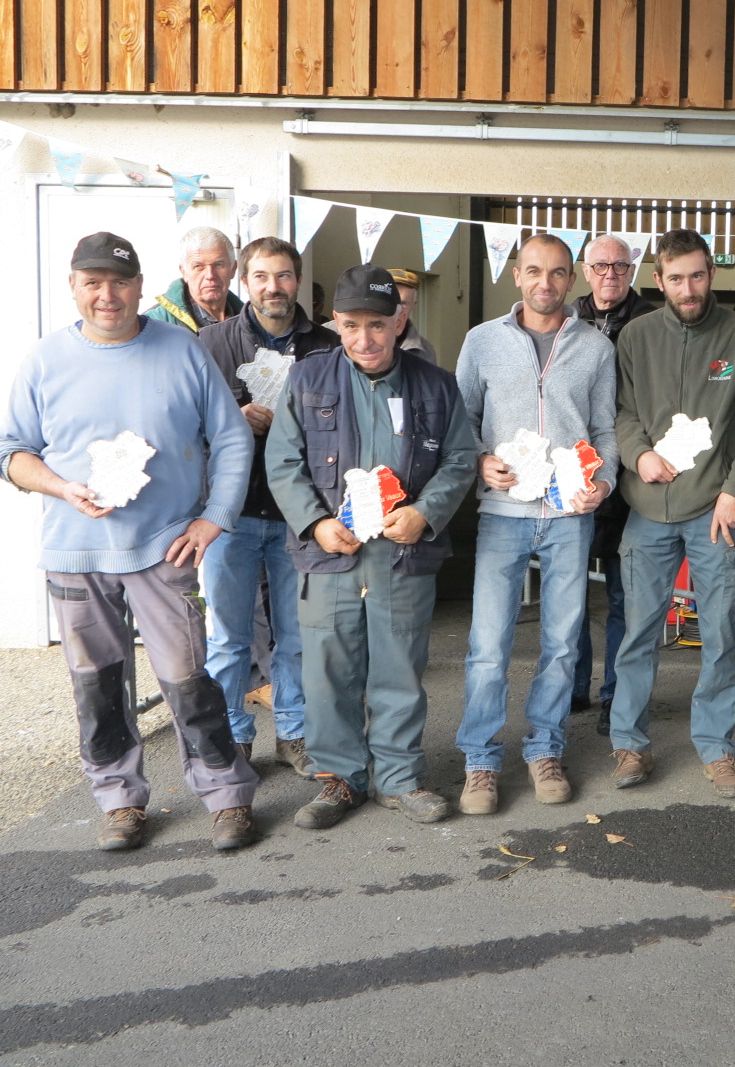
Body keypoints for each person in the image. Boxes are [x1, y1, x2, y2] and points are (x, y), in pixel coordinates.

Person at [0, 231, 258, 852]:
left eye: (119, 282)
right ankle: (119, 800)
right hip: (75, 550)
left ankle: (226, 796)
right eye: (93, 283)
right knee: (96, 685)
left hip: (164, 546)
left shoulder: (184, 351)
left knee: (188, 677)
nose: (107, 296)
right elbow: (12, 453)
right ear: (74, 288)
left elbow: (230, 438)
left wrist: (214, 517)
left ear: (142, 287)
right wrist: (61, 488)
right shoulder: (44, 361)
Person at [266, 265, 476, 830]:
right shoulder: (308, 380)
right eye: (352, 325)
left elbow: (460, 459)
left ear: (399, 320)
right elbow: (282, 461)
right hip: (331, 555)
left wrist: (425, 513)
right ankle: (339, 778)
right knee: (328, 670)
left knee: (400, 668)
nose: (365, 339)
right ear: (335, 323)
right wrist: (313, 524)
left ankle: (400, 778)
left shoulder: (436, 384)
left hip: (402, 556)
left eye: (378, 325)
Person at [607, 229, 735, 799]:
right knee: (637, 633)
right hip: (646, 510)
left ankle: (716, 746)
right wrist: (639, 454)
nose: (688, 287)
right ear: (658, 280)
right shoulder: (635, 336)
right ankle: (629, 743)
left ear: (712, 274)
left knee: (719, 637)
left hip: (716, 511)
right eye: (676, 278)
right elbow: (621, 413)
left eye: (698, 275)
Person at [454, 235, 619, 813]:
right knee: (488, 643)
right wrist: (479, 459)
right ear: (516, 277)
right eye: (533, 272)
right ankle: (479, 759)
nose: (544, 283)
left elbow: (605, 432)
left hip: (570, 513)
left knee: (562, 641)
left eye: (556, 273)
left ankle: (545, 746)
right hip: (504, 513)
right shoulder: (482, 342)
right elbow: (461, 422)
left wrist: (604, 482)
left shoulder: (596, 348)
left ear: (571, 279)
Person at [197, 237, 338, 777]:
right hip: (229, 514)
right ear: (244, 281)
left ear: (297, 281)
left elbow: (342, 425)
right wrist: (238, 414)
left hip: (301, 515)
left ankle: (295, 732)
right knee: (228, 638)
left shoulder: (327, 346)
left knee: (297, 634)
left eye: (282, 276)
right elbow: (191, 422)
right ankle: (233, 739)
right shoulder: (211, 342)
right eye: (261, 277)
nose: (272, 287)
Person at [573, 233, 656, 733]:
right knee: (571, 594)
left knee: (626, 597)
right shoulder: (564, 321)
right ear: (587, 271)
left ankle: (616, 695)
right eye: (601, 266)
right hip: (577, 479)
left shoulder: (652, 323)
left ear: (633, 270)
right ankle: (573, 685)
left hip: (632, 482)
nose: (611, 275)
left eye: (621, 267)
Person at [146, 226, 242, 332]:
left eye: (218, 265)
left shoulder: (252, 319)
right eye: (198, 266)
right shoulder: (153, 324)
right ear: (184, 272)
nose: (210, 275)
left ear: (233, 269)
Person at [388, 269, 438, 365]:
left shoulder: (425, 351)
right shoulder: (360, 342)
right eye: (392, 301)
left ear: (413, 305)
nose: (398, 308)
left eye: (403, 303)